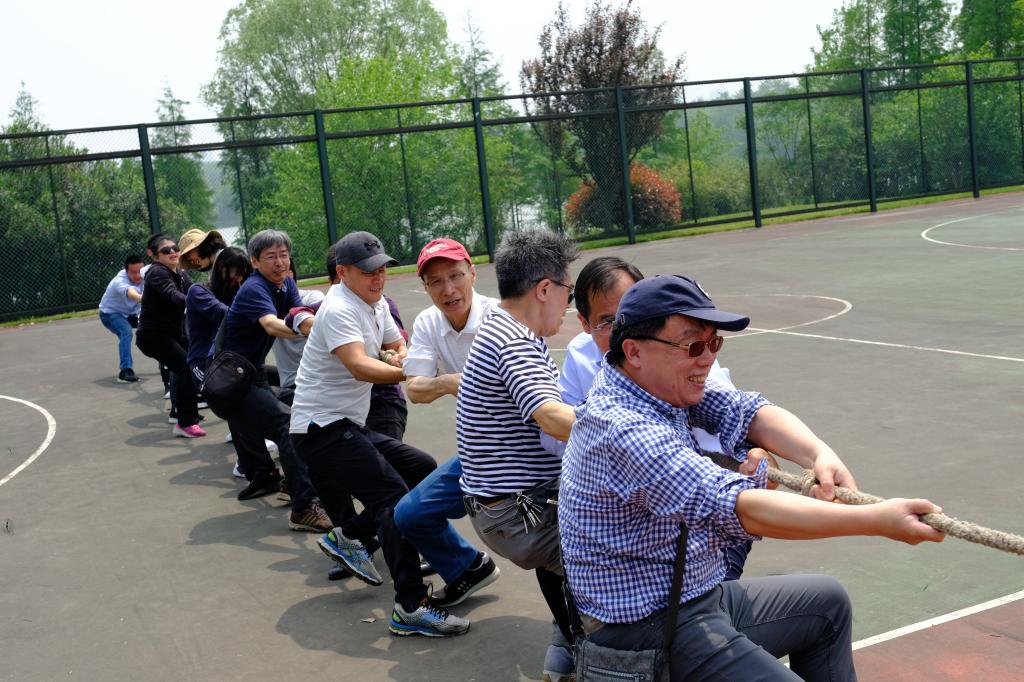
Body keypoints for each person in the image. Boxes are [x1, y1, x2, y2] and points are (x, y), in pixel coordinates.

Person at [559, 274, 945, 681]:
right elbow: (740, 507)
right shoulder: (621, 428)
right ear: (634, 351)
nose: (707, 359)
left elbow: (745, 411)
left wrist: (819, 454)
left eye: (714, 343)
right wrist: (876, 520)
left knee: (827, 604)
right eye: (693, 346)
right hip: (645, 629)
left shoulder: (652, 383)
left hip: (692, 596)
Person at [289, 231, 468, 638]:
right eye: (368, 271)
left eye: (382, 269)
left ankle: (351, 536)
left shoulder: (376, 304)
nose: (378, 277)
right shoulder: (339, 308)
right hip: (319, 429)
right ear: (342, 272)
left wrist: (403, 358)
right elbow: (359, 366)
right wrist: (418, 374)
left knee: (420, 467)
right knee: (392, 498)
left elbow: (398, 345)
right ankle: (410, 606)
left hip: (347, 424)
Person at [455, 230, 579, 657]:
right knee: (629, 542)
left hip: (509, 505)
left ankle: (571, 645)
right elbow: (552, 417)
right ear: (545, 289)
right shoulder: (514, 341)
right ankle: (607, 653)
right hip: (520, 512)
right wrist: (635, 430)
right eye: (568, 292)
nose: (568, 304)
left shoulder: (500, 326)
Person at [393, 238, 502, 610]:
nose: (448, 289)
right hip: (479, 452)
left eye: (455, 276)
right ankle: (468, 567)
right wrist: (452, 382)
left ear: (472, 274)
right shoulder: (428, 321)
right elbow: (416, 390)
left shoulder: (499, 319)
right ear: (425, 288)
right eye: (436, 281)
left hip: (524, 450)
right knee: (410, 514)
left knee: (544, 534)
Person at [219, 229, 330, 533]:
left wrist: (314, 322)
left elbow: (298, 312)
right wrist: (319, 330)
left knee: (288, 421)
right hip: (231, 379)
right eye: (271, 256)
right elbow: (272, 325)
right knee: (289, 426)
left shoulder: (285, 284)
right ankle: (304, 508)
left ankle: (287, 481)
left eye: (284, 255)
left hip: (250, 372)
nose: (280, 262)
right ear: (255, 262)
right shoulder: (255, 288)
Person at [135, 234, 205, 438]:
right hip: (153, 336)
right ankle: (185, 422)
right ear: (156, 256)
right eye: (166, 250)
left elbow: (194, 291)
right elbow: (172, 295)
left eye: (175, 248)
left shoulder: (180, 273)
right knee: (184, 367)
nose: (173, 252)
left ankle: (183, 413)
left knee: (191, 364)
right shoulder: (157, 272)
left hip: (173, 334)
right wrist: (198, 304)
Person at [98, 254, 145, 383]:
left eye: (139, 271)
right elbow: (131, 293)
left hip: (132, 313)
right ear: (126, 271)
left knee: (157, 325)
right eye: (133, 272)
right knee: (126, 331)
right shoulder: (119, 281)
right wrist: (141, 298)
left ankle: (166, 361)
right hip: (110, 314)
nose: (137, 275)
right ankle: (125, 372)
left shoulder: (146, 275)